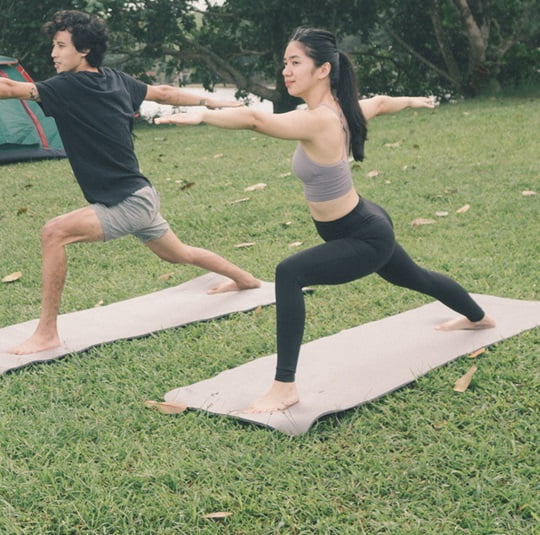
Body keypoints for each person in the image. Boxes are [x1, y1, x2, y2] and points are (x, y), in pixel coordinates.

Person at [156, 27, 495, 414]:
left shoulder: (320, 120)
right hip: (365, 221)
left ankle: (284, 387)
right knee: (415, 277)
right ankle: (478, 318)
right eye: (285, 62)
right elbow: (382, 103)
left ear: (323, 69)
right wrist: (416, 100)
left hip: (363, 235)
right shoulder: (343, 109)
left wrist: (203, 114)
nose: (286, 70)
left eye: (295, 62)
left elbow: (255, 120)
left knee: (289, 273)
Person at [0, 10, 260, 355]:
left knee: (54, 233)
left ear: (85, 50)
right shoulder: (116, 79)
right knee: (179, 254)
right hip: (139, 195)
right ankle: (245, 280)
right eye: (54, 45)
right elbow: (165, 93)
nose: (53, 53)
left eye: (61, 46)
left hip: (127, 202)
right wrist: (209, 101)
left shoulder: (68, 87)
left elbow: (8, 87)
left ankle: (46, 334)